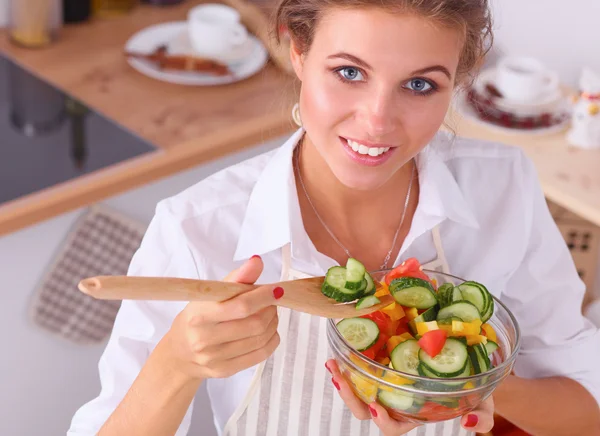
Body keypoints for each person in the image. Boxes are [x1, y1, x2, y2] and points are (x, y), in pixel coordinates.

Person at [68, 0, 600, 435]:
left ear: (456, 83)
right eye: (350, 72)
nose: (376, 121)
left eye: (419, 85)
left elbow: (585, 412)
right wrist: (176, 365)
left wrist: (470, 384)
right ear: (297, 51)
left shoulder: (502, 188)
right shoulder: (198, 227)